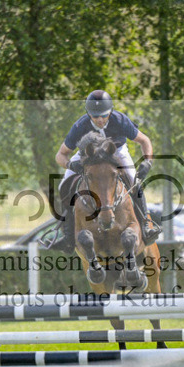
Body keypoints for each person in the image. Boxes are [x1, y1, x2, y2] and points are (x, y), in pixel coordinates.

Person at [47, 90, 161, 251]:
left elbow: (144, 140)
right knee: (63, 185)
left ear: (110, 111)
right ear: (88, 113)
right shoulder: (80, 126)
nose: (100, 119)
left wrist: (148, 162)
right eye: (95, 116)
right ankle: (67, 236)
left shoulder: (120, 120)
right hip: (88, 155)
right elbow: (60, 155)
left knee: (133, 178)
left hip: (116, 152)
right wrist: (71, 165)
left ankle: (146, 225)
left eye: (104, 115)